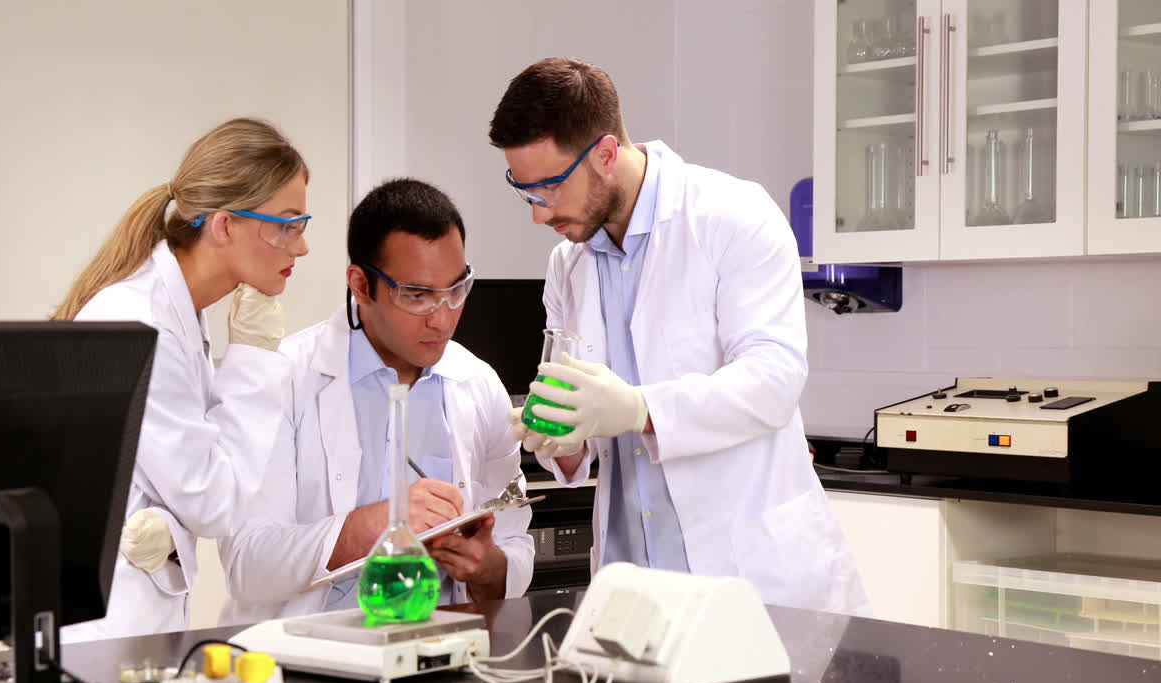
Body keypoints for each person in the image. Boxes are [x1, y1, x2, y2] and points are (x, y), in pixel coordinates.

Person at [489, 58, 867, 614]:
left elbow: (774, 380)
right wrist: (565, 442)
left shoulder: (734, 216)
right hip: (632, 586)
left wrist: (640, 409)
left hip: (750, 580)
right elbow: (585, 425)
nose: (538, 215)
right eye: (525, 191)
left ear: (606, 153)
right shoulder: (567, 265)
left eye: (548, 188)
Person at [219, 178, 534, 622]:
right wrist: (382, 523)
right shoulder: (284, 377)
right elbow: (247, 565)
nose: (442, 319)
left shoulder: (478, 384)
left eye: (456, 290)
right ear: (361, 285)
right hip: (312, 651)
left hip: (439, 646)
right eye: (417, 296)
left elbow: (514, 544)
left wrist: (487, 568)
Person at [52, 117, 311, 639]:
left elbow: (179, 482)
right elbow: (214, 502)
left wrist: (174, 529)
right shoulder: (142, 323)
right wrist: (254, 358)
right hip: (103, 631)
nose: (300, 247)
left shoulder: (179, 313)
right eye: (287, 225)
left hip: (133, 622)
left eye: (302, 224)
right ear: (224, 226)